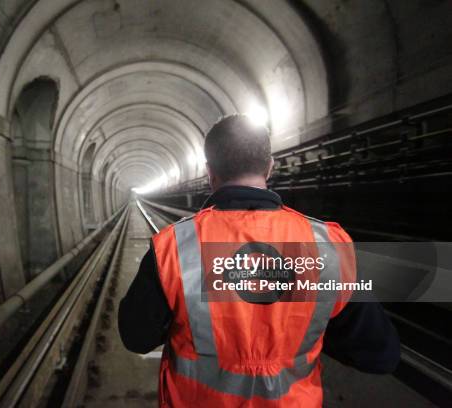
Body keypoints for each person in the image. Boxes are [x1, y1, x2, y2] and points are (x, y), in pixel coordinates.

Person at [118, 115, 400, 407]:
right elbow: (381, 356)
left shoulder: (173, 247)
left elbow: (136, 337)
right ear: (270, 167)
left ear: (209, 172)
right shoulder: (327, 246)